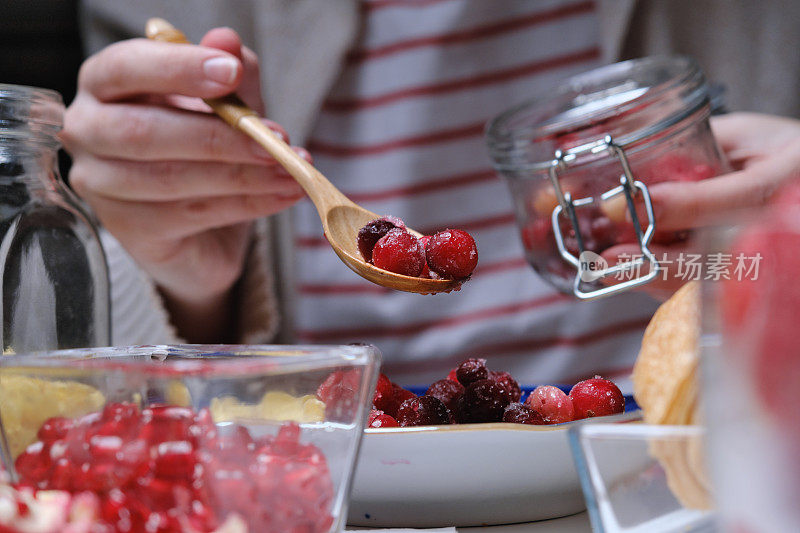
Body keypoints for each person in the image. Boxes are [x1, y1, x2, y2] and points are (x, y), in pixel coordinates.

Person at [62, 0, 800, 386]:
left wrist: (777, 247)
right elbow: (131, 384)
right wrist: (181, 276)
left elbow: (749, 269)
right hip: (333, 490)